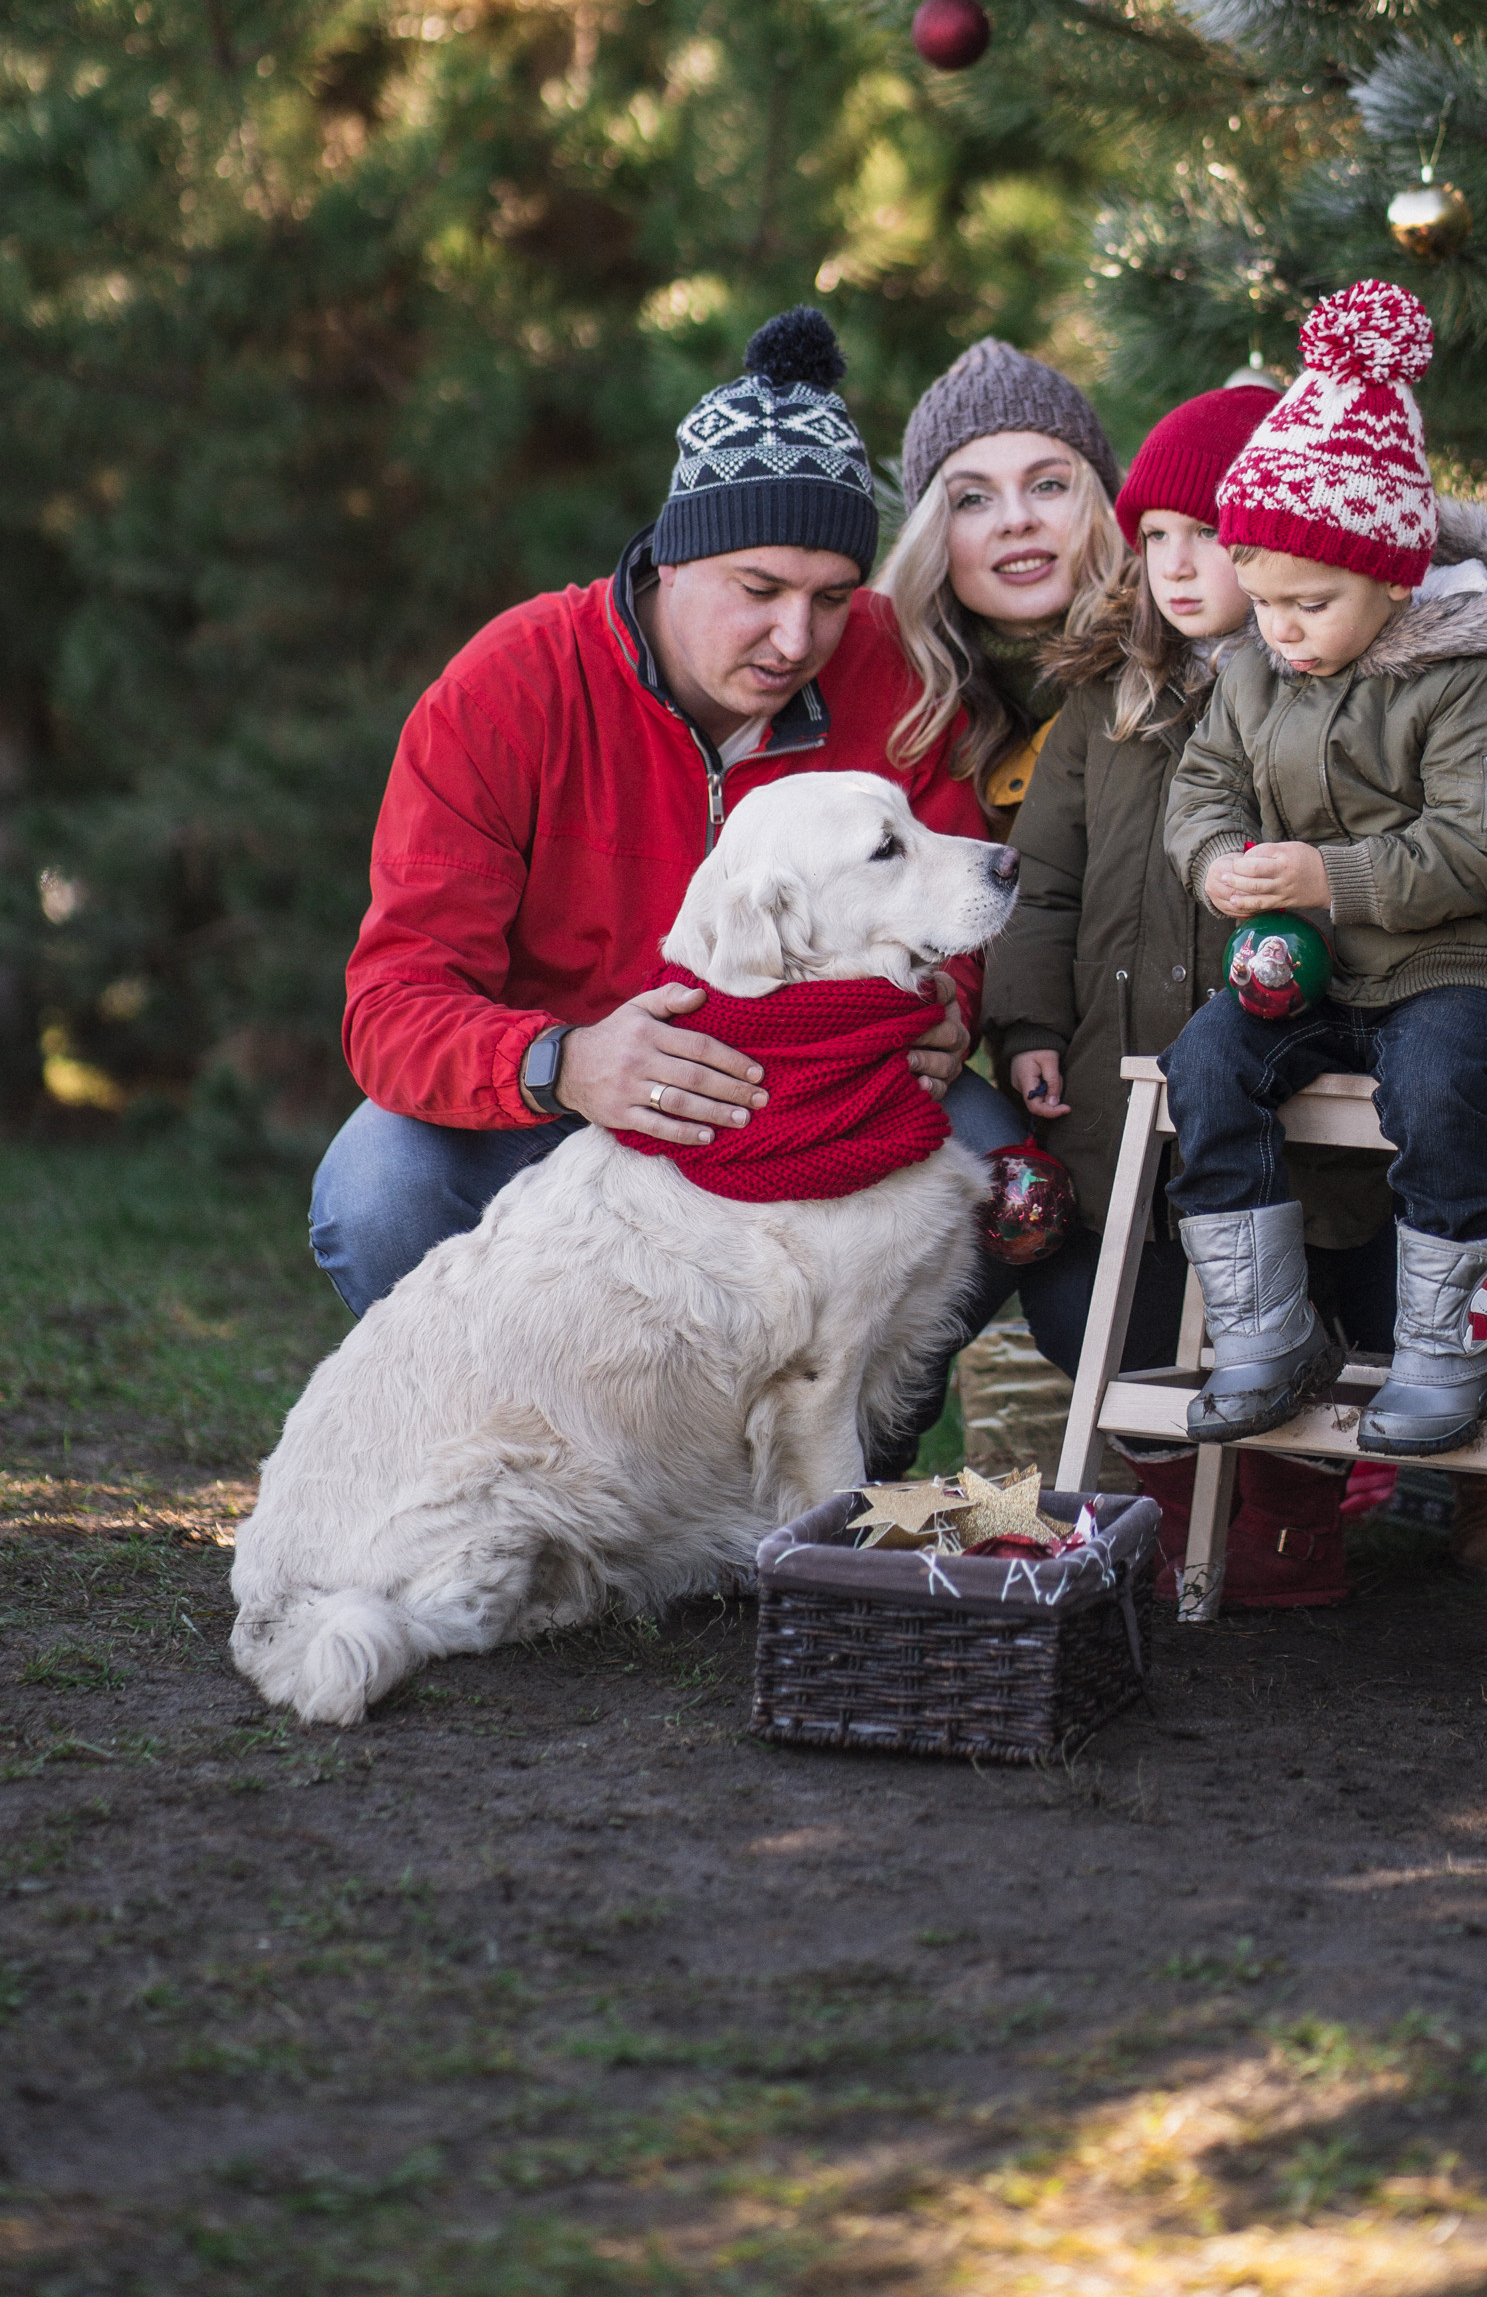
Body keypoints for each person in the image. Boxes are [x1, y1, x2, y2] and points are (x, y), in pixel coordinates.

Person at [311, 309, 1003, 1327]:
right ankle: (539, 1433)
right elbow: (395, 1003)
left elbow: (950, 904)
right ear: (673, 557)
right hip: (558, 1111)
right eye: (758, 587)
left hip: (816, 1099)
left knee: (1001, 1177)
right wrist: (563, 1062)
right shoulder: (509, 688)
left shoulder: (888, 670)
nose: (795, 636)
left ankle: (848, 1455)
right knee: (380, 1190)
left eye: (831, 596)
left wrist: (948, 1011)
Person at [983, 379, 1399, 1605]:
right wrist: (1025, 1026)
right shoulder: (1103, 700)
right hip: (1117, 1074)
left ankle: (1287, 1533)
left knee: (1287, 1292)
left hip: (1272, 1074)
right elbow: (1046, 880)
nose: (1173, 565)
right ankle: (1166, 1526)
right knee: (1145, 1307)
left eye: (1207, 534)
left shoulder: (1324, 697)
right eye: (1153, 537)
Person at [1161, 277, 1487, 1473]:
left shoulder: (1473, 684)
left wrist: (1324, 876)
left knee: (1438, 1087)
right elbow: (1204, 793)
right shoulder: (1251, 672)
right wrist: (1220, 866)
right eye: (1265, 598)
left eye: (1311, 602)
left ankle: (1442, 1346)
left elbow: (1478, 850)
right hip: (1312, 972)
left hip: (1453, 961)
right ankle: (1264, 1331)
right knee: (1207, 1062)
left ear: (1392, 579)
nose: (1279, 628)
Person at [877, 336, 1125, 830]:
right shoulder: (893, 704)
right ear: (932, 535)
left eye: (1048, 485)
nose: (1016, 520)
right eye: (972, 498)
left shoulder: (1185, 666)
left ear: (1099, 502)